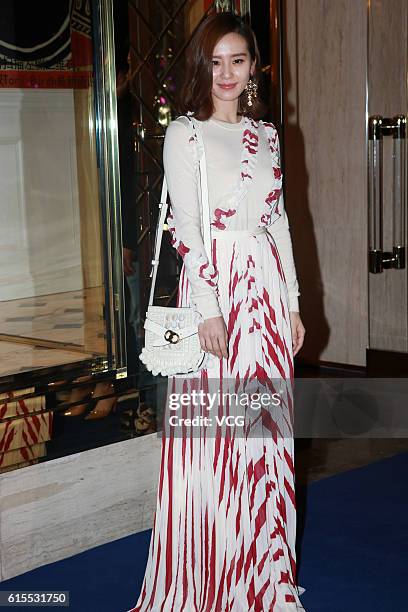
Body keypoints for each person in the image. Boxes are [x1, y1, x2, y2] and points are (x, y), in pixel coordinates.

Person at [128, 11, 306, 612]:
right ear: (201, 65)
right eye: (215, 61)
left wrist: (295, 304)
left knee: (265, 436)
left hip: (265, 299)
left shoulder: (269, 137)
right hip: (216, 293)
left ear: (254, 66)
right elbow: (187, 230)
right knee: (216, 441)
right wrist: (207, 309)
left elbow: (277, 222)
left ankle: (267, 574)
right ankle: (211, 575)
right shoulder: (186, 134)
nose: (226, 73)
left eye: (238, 60)